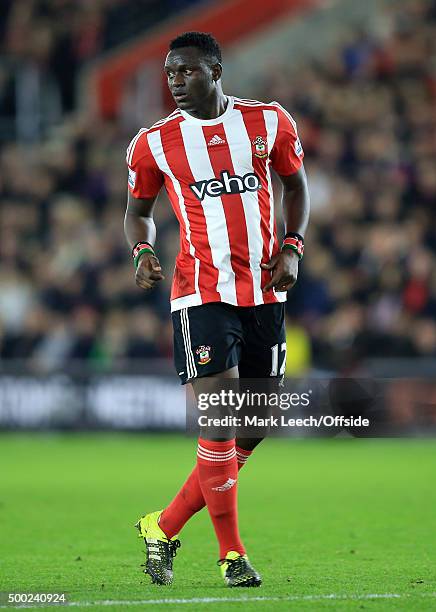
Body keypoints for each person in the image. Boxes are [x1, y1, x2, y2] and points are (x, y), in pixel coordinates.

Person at [124, 31, 310, 588]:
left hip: (265, 290)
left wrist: (293, 247)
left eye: (186, 71)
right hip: (201, 291)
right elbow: (137, 212)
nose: (176, 82)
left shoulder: (269, 122)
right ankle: (232, 555)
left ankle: (162, 525)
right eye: (169, 73)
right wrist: (142, 250)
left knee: (254, 424)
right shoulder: (153, 142)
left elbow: (296, 187)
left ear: (216, 69)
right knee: (222, 414)